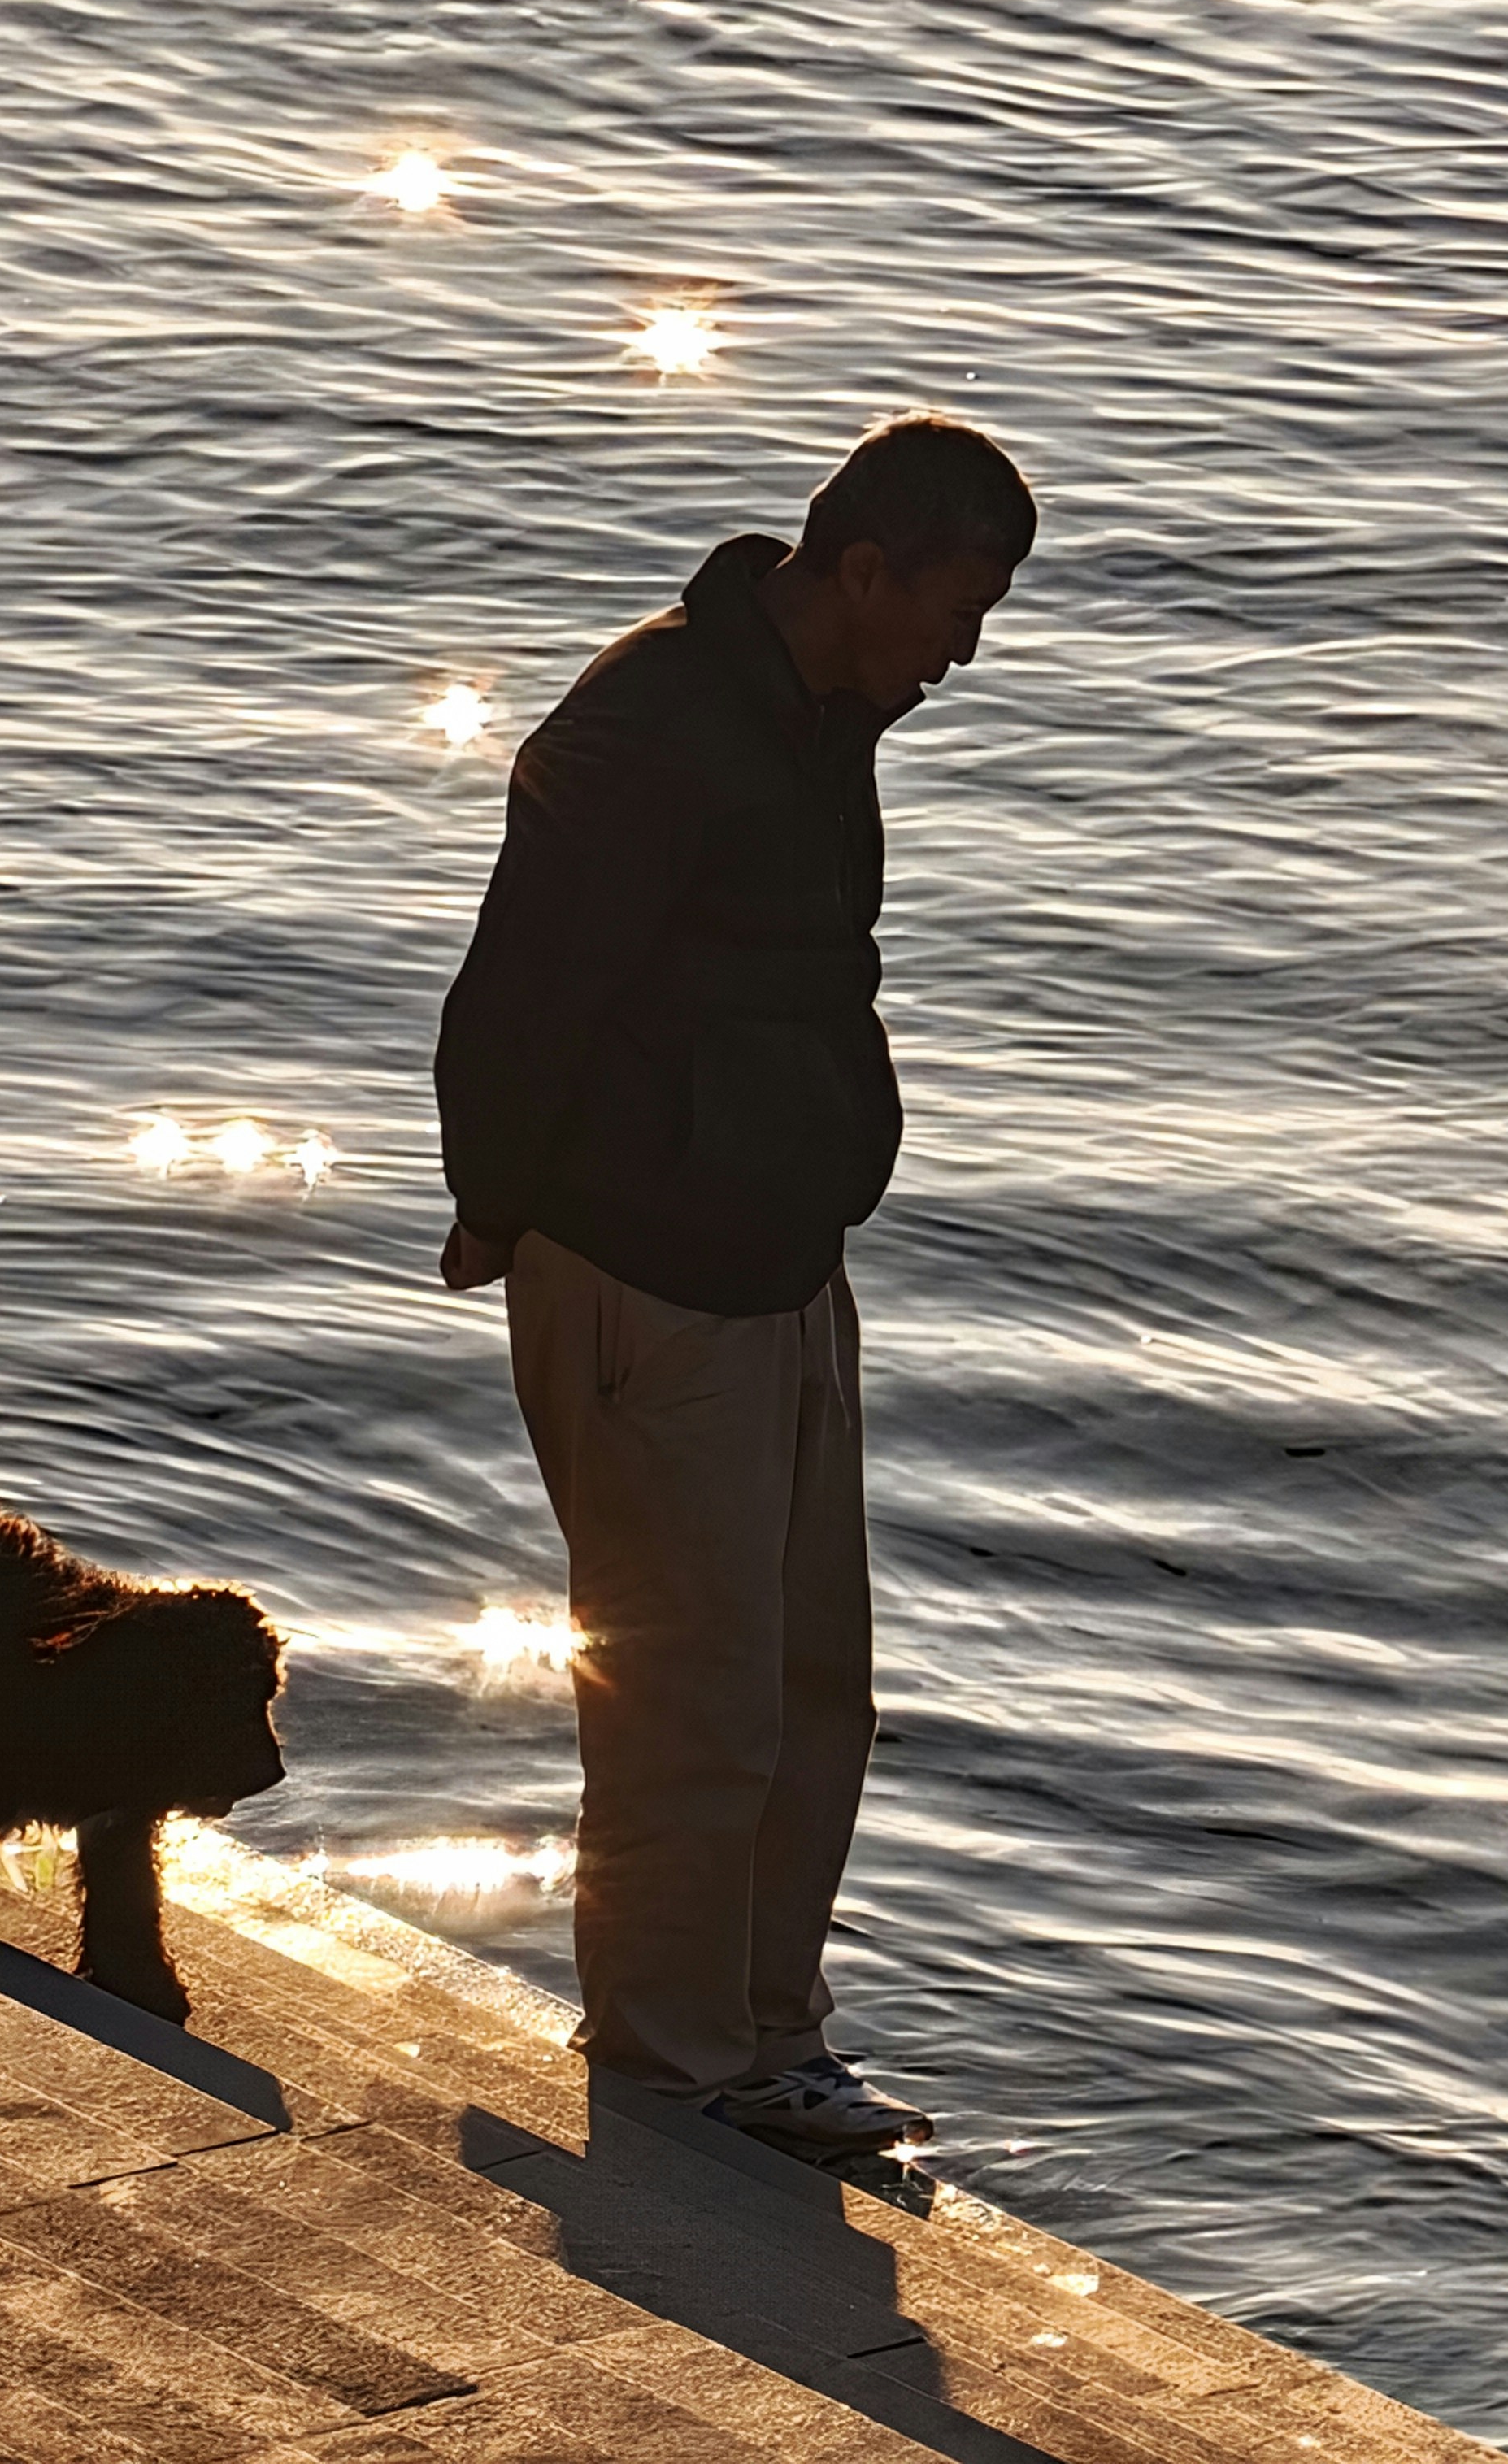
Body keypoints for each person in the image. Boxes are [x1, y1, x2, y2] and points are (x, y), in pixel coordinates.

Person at [432, 413, 1032, 2155]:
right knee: (687, 1703)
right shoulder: (652, 728)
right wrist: (501, 1208)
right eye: (957, 612)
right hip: (645, 1268)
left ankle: (769, 2032)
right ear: (865, 572)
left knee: (809, 1688)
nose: (964, 654)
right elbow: (520, 992)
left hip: (782, 1266)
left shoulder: (823, 716)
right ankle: (669, 2063)